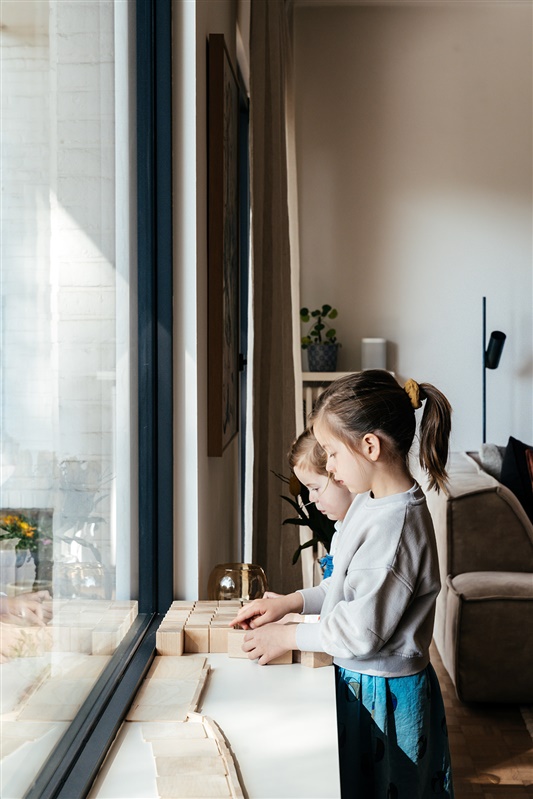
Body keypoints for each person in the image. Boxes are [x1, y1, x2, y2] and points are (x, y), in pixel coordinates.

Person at [231, 369, 454, 798]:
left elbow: (360, 631)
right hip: (365, 682)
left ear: (369, 446)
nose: (328, 467)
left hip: (384, 698)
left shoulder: (395, 528)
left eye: (331, 454)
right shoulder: (371, 505)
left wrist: (290, 636)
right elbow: (344, 591)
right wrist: (292, 603)